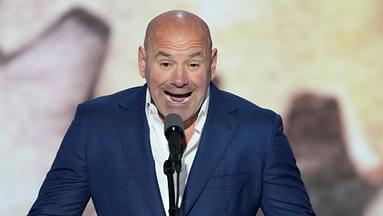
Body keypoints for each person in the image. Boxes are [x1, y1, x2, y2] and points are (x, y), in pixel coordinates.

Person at [28, 10, 315, 215]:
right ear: (143, 62)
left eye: (193, 64)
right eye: (165, 64)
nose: (179, 80)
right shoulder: (96, 125)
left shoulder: (259, 132)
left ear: (211, 63)